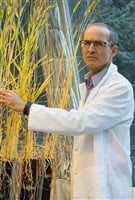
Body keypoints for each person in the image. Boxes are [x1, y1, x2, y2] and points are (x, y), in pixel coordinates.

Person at [0, 23, 134, 199]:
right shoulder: (85, 87)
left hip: (106, 188)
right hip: (87, 186)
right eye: (86, 43)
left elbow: (80, 121)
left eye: (99, 44)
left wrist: (26, 107)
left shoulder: (119, 88)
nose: (91, 49)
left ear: (113, 50)